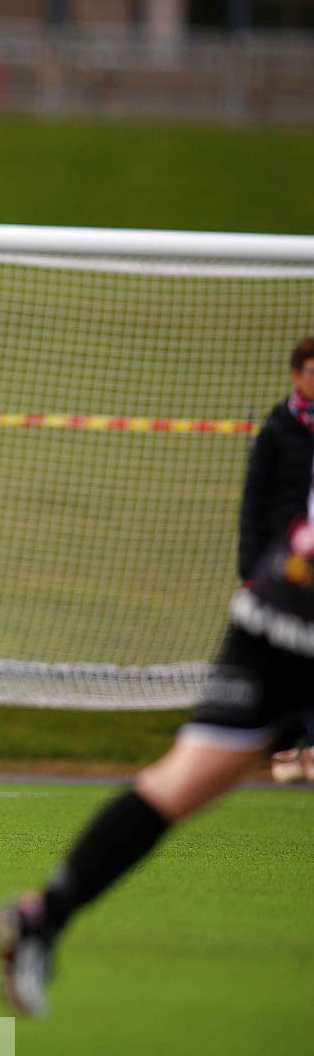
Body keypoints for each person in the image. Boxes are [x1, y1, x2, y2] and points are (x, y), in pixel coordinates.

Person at [0, 501, 314, 1017]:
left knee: (181, 782)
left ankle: (44, 916)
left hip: (283, 593)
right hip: (295, 607)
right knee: (183, 782)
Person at [238, 335, 314, 784]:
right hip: (281, 566)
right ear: (295, 375)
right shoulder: (277, 429)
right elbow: (254, 501)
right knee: (279, 657)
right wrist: (250, 566)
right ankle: (284, 748)